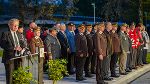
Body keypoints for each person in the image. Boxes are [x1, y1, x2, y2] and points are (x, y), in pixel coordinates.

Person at [0, 19, 23, 84]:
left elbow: (22, 43)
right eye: (14, 25)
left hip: (18, 57)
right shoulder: (5, 33)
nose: (16, 27)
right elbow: (3, 44)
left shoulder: (19, 33)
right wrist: (14, 48)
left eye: (17, 26)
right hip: (9, 58)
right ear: (9, 25)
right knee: (10, 76)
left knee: (17, 76)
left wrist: (22, 47)